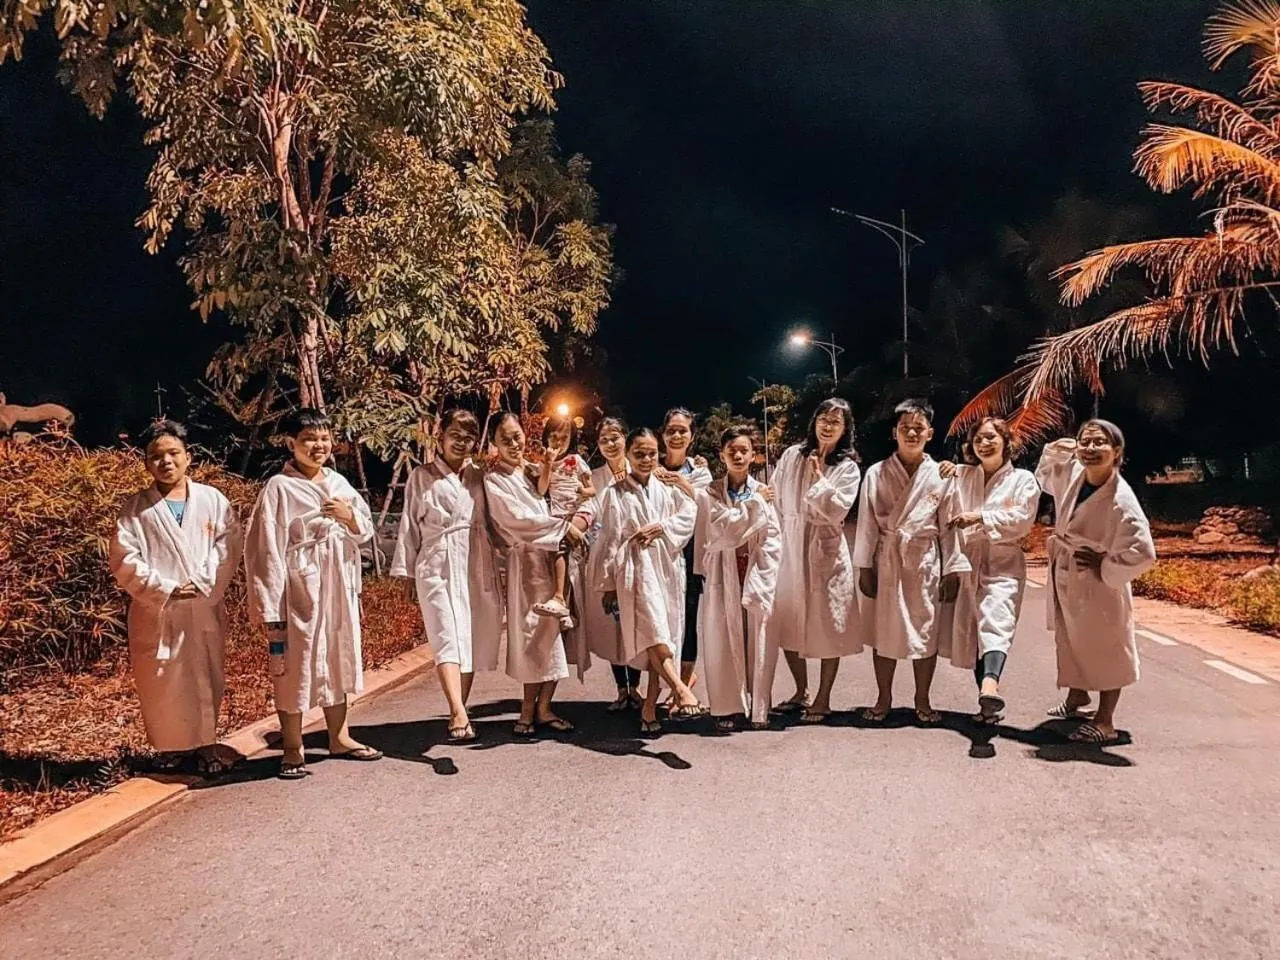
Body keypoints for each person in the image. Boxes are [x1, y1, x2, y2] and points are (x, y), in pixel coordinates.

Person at [244, 408, 382, 780]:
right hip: (299, 588)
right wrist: (270, 605)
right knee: (294, 663)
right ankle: (292, 746)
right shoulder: (279, 488)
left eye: (324, 438)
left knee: (338, 655)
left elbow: (364, 531)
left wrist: (348, 517)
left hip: (337, 585)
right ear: (292, 444)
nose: (318, 446)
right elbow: (264, 549)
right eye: (309, 439)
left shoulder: (339, 484)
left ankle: (339, 736)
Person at [109, 420, 243, 776]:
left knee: (206, 672)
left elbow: (228, 546)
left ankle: (206, 746)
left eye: (173, 453)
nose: (166, 461)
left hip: (202, 605)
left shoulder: (213, 501)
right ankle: (170, 748)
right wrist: (165, 588)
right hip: (159, 612)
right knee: (161, 679)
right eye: (156, 456)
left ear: (189, 457)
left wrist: (200, 583)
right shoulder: (135, 510)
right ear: (146, 463)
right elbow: (124, 558)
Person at [1036, 420, 1155, 744]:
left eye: (1099, 443)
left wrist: (1106, 565)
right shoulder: (1075, 475)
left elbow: (1143, 552)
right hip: (1068, 571)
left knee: (1106, 646)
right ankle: (1077, 697)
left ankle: (1105, 721)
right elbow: (1046, 475)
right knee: (1071, 638)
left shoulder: (1122, 500)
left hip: (1100, 584)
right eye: (1084, 442)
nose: (1089, 449)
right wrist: (1060, 447)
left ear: (1116, 452)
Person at [390, 409, 502, 743]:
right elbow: (409, 525)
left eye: (469, 437)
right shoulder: (422, 476)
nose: (462, 442)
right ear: (440, 436)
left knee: (468, 636)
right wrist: (406, 573)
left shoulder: (480, 475)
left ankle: (461, 709)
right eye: (455, 434)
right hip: (435, 563)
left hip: (473, 559)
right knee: (445, 635)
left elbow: (501, 514)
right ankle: (457, 711)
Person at [853, 399, 965, 725]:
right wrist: (864, 566)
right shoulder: (876, 472)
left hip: (924, 559)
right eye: (905, 428)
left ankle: (923, 698)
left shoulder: (942, 475)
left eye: (919, 428)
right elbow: (867, 523)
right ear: (895, 432)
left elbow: (949, 526)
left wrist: (952, 569)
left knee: (924, 629)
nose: (912, 433)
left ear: (930, 432)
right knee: (884, 630)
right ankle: (883, 697)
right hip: (887, 559)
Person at [597, 427, 708, 734]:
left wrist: (661, 526)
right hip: (635, 570)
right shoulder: (614, 492)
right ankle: (682, 690)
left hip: (668, 568)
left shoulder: (668, 487)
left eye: (651, 453)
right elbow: (608, 539)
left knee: (666, 633)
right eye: (639, 453)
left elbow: (690, 513)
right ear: (628, 455)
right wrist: (608, 583)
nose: (646, 459)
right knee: (653, 631)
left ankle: (649, 707)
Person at [483, 412, 586, 735]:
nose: (514, 443)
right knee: (532, 636)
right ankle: (526, 712)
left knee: (554, 635)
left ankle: (544, 708)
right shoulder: (495, 480)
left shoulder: (531, 470)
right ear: (494, 444)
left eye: (517, 436)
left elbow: (566, 494)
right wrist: (561, 529)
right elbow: (515, 520)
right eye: (506, 439)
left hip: (554, 559)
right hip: (526, 566)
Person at [936, 417, 1041, 723]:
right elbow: (943, 503)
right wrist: (944, 469)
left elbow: (1022, 519)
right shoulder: (963, 474)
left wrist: (980, 518)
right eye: (979, 439)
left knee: (996, 622)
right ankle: (987, 697)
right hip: (967, 561)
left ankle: (991, 685)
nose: (984, 443)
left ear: (1006, 443)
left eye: (991, 438)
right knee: (973, 632)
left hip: (1003, 562)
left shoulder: (1023, 480)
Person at [768, 398, 864, 723]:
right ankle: (800, 690)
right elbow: (774, 495)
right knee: (788, 619)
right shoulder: (792, 455)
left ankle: (823, 697)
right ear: (814, 421)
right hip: (790, 545)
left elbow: (838, 509)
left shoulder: (848, 467)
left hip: (824, 548)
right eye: (823, 418)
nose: (827, 425)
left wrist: (819, 477)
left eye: (835, 422)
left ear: (845, 429)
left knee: (828, 622)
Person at [696, 424, 783, 731]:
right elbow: (721, 531)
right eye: (731, 449)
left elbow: (773, 534)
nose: (737, 455)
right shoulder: (711, 493)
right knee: (722, 639)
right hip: (724, 571)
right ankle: (727, 706)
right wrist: (754, 508)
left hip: (755, 570)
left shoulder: (763, 492)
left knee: (758, 639)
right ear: (722, 454)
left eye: (744, 450)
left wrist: (763, 565)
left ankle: (760, 705)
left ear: (753, 455)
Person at [581, 417, 643, 711]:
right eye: (604, 440)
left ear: (625, 438)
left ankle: (638, 688)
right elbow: (590, 516)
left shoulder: (641, 470)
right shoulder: (594, 478)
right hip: (605, 558)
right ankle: (622, 689)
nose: (610, 444)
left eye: (615, 437)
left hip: (637, 556)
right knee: (612, 627)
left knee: (637, 622)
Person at [658, 407, 713, 707]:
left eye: (683, 431)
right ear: (662, 434)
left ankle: (683, 681)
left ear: (692, 436)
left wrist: (681, 483)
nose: (677, 435)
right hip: (659, 555)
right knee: (660, 619)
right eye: (672, 430)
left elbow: (708, 507)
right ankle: (671, 683)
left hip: (691, 554)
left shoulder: (700, 471)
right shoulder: (650, 464)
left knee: (688, 619)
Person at [529, 415, 596, 629]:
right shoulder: (546, 463)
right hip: (559, 515)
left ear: (571, 439)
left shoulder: (577, 461)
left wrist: (582, 490)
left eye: (564, 437)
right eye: (554, 436)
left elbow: (592, 490)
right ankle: (565, 606)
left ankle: (559, 598)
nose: (558, 442)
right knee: (560, 552)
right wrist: (548, 463)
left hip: (581, 510)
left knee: (563, 544)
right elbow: (541, 489)